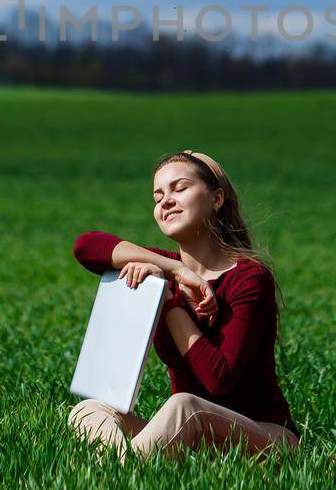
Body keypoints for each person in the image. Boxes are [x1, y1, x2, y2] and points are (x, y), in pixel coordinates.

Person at [69, 149, 300, 465]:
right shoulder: (166, 268)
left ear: (217, 199)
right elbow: (85, 246)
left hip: (265, 439)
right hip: (195, 440)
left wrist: (169, 300)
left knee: (185, 406)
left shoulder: (249, 277)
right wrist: (174, 270)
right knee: (91, 409)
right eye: (158, 195)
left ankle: (118, 475)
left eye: (180, 188)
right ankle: (130, 467)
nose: (165, 201)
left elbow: (218, 379)